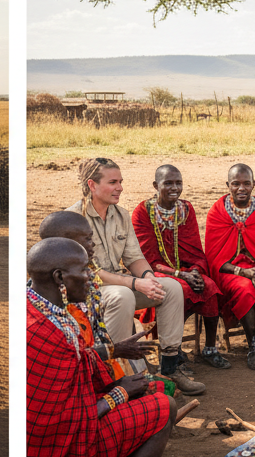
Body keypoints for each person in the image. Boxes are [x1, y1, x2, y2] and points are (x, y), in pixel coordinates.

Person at [27, 237, 175, 457]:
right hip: (62, 441)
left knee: (154, 389)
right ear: (60, 277)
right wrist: (121, 392)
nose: (91, 276)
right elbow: (62, 422)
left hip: (78, 411)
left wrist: (114, 352)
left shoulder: (41, 306)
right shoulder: (44, 332)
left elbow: (76, 363)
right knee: (166, 406)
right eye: (85, 270)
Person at [67, 158, 204, 395]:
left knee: (171, 287)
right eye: (113, 182)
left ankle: (170, 365)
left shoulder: (121, 214)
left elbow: (133, 258)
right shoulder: (73, 218)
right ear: (92, 185)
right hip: (88, 291)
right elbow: (91, 272)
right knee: (123, 296)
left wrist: (149, 277)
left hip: (120, 282)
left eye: (120, 181)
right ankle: (117, 369)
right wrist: (135, 282)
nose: (120, 187)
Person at [39, 211, 158, 379]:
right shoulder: (49, 306)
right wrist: (114, 352)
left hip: (96, 367)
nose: (93, 244)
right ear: (66, 245)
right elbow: (73, 363)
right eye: (87, 239)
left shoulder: (87, 280)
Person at [131, 164, 228, 370]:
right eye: (168, 183)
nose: (174, 187)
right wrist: (180, 274)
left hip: (185, 270)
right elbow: (146, 259)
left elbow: (193, 248)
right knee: (179, 290)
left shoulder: (186, 209)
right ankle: (173, 349)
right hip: (154, 271)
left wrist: (195, 271)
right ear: (156, 185)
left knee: (209, 287)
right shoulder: (142, 212)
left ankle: (210, 349)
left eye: (178, 183)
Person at [205, 163, 255, 370]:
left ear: (253, 184)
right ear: (227, 185)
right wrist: (243, 272)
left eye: (246, 183)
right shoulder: (217, 211)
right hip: (229, 270)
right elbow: (214, 258)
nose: (241, 188)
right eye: (235, 184)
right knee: (246, 290)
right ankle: (252, 348)